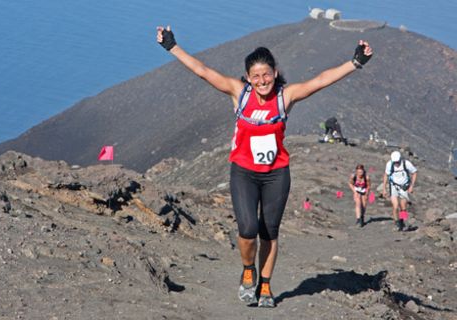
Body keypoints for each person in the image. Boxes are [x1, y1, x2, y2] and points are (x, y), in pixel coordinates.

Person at [156, 25, 373, 307]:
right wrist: (172, 47)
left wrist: (355, 62)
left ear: (275, 72)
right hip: (244, 172)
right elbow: (203, 71)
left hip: (276, 175)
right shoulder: (239, 93)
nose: (262, 81)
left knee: (269, 230)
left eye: (266, 75)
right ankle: (249, 271)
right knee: (247, 229)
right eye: (255, 76)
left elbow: (321, 80)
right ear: (247, 77)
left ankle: (266, 286)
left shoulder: (285, 96)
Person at [382, 151, 417, 231]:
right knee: (395, 206)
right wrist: (384, 188)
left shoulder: (406, 164)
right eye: (395, 162)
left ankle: (402, 222)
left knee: (403, 207)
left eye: (397, 162)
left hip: (404, 186)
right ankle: (397, 223)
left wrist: (412, 186)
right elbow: (386, 175)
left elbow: (414, 173)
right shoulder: (389, 164)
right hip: (393, 186)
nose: (396, 164)